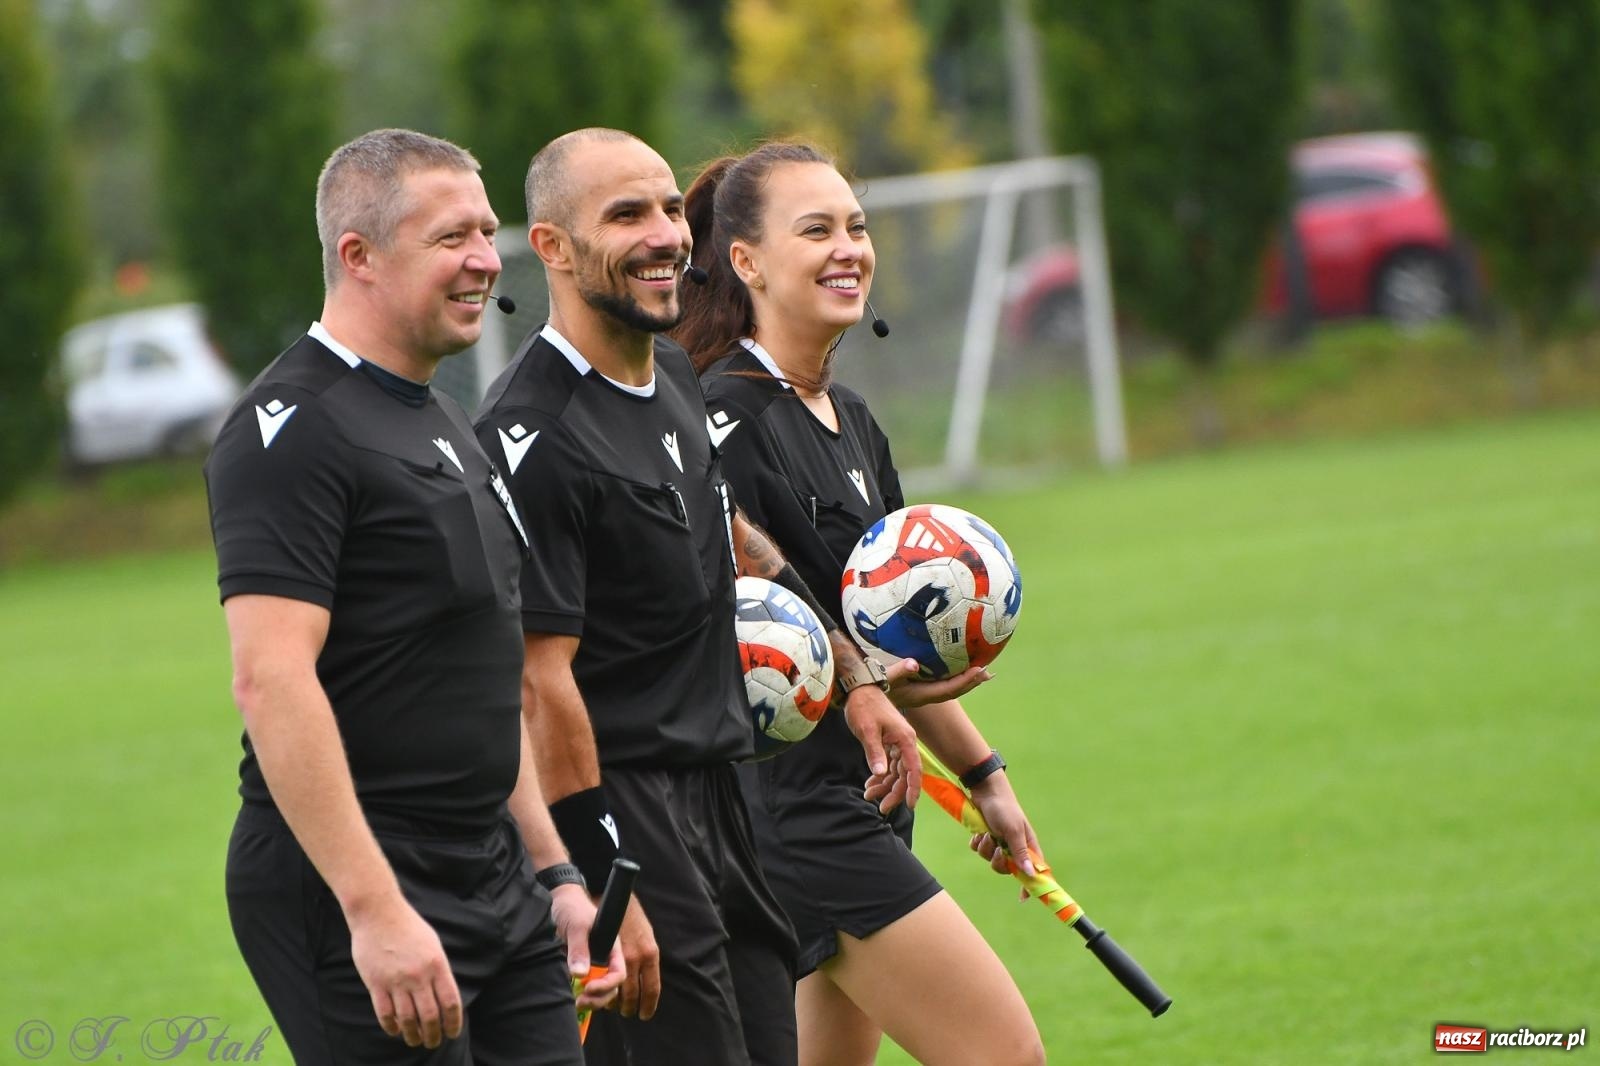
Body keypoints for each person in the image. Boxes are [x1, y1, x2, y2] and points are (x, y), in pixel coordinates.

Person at [472, 128, 919, 1066]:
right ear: (550, 247)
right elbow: (537, 683)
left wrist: (857, 675)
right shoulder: (529, 430)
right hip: (629, 815)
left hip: (731, 800)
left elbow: (732, 540)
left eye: (671, 208)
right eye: (625, 214)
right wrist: (598, 874)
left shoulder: (673, 372)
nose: (666, 234)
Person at [205, 128, 622, 1066]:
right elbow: (271, 681)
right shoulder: (290, 431)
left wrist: (553, 868)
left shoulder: (438, 413)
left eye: (486, 231)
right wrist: (373, 908)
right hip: (358, 882)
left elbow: (479, 678)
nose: (485, 258)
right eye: (451, 238)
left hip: (496, 876)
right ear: (359, 256)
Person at [672, 142, 1049, 1066]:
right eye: (817, 230)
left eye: (857, 226)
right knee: (1008, 1055)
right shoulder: (722, 420)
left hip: (876, 790)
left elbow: (892, 646)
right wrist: (863, 692)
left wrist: (987, 776)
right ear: (746, 262)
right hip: (792, 811)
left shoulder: (855, 422)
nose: (849, 248)